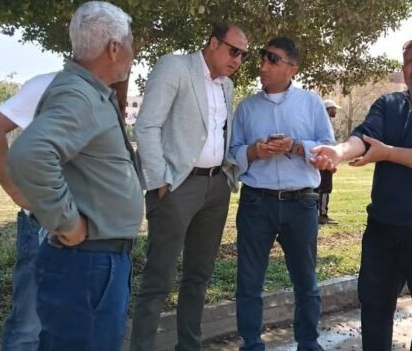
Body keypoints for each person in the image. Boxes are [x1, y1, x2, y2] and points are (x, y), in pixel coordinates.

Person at [310, 38, 412, 350]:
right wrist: (339, 151)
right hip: (383, 228)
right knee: (374, 308)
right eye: (410, 61)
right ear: (403, 68)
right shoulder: (387, 104)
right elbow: (365, 137)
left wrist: (387, 154)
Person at [7, 1, 142, 350]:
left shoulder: (89, 91)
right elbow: (30, 153)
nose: (133, 52)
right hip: (87, 264)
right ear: (114, 48)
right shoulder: (79, 93)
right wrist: (66, 221)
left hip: (94, 262)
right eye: (130, 42)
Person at [130, 23, 249, 351]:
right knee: (158, 279)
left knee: (198, 277)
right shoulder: (175, 67)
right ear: (213, 43)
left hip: (216, 188)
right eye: (233, 51)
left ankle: (189, 346)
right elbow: (147, 125)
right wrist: (160, 180)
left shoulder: (227, 86)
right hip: (177, 187)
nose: (238, 60)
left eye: (244, 55)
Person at [230, 37, 335, 351]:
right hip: (256, 203)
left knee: (306, 281)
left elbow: (328, 148)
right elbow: (232, 153)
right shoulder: (246, 108)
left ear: (292, 68)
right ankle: (251, 344)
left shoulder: (311, 103)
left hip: (300, 203)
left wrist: (296, 146)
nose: (263, 65)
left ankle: (308, 342)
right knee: (249, 281)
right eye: (262, 58)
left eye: (272, 59)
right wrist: (254, 151)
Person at [0, 72, 55, 350]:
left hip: (86, 225)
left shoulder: (103, 92)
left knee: (65, 322)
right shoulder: (46, 85)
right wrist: (14, 189)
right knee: (28, 324)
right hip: (44, 222)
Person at [317, 99, 341, 225]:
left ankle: (318, 214)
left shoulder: (321, 122)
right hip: (325, 160)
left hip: (323, 159)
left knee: (320, 187)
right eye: (333, 109)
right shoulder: (324, 125)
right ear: (328, 109)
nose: (335, 111)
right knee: (325, 187)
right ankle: (322, 215)